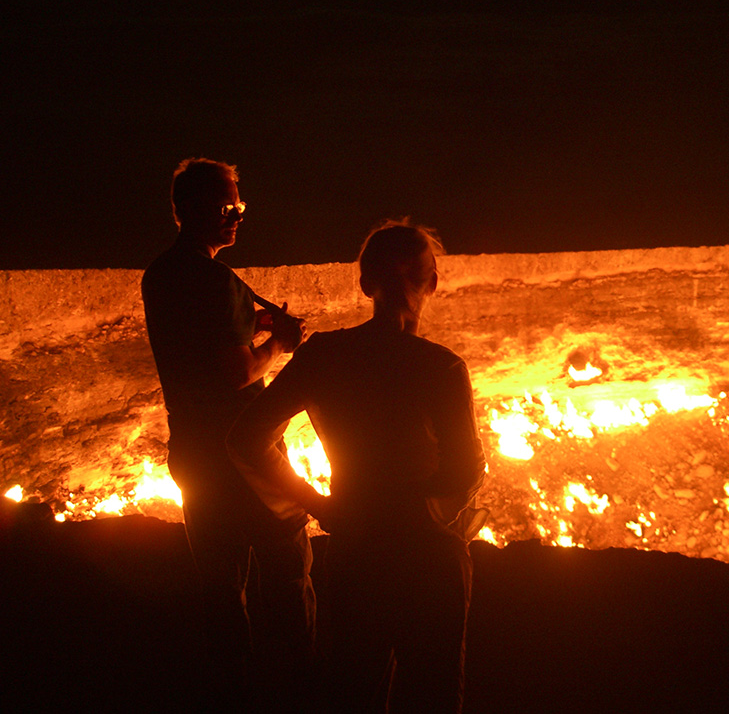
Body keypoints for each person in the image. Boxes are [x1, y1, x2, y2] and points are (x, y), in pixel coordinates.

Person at [228, 221, 487, 712]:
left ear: (365, 283)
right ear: (432, 282)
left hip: (357, 550)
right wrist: (433, 516)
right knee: (432, 696)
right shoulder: (441, 368)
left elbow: (244, 437)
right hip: (428, 557)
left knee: (353, 691)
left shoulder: (326, 356)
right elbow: (466, 470)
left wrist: (317, 505)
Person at [142, 158, 316, 701]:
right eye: (226, 206)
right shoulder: (216, 281)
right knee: (290, 571)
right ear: (188, 209)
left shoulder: (162, 274)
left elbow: (199, 338)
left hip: (193, 451)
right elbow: (239, 371)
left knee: (220, 588)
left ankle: (231, 691)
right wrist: (281, 345)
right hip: (246, 456)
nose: (237, 216)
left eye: (239, 205)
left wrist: (252, 322)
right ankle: (304, 687)